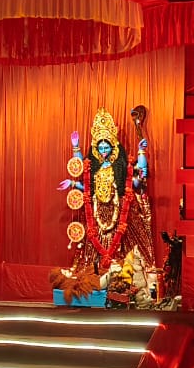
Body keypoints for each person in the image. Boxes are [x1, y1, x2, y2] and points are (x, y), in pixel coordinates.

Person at [56, 109, 153, 273]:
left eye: (106, 146)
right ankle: (97, 272)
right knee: (94, 248)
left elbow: (140, 176)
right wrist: (72, 181)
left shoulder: (121, 166)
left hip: (118, 213)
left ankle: (120, 274)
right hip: (97, 214)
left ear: (112, 146)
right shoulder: (94, 167)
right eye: (100, 147)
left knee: (120, 249)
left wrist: (141, 151)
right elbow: (87, 186)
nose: (103, 150)